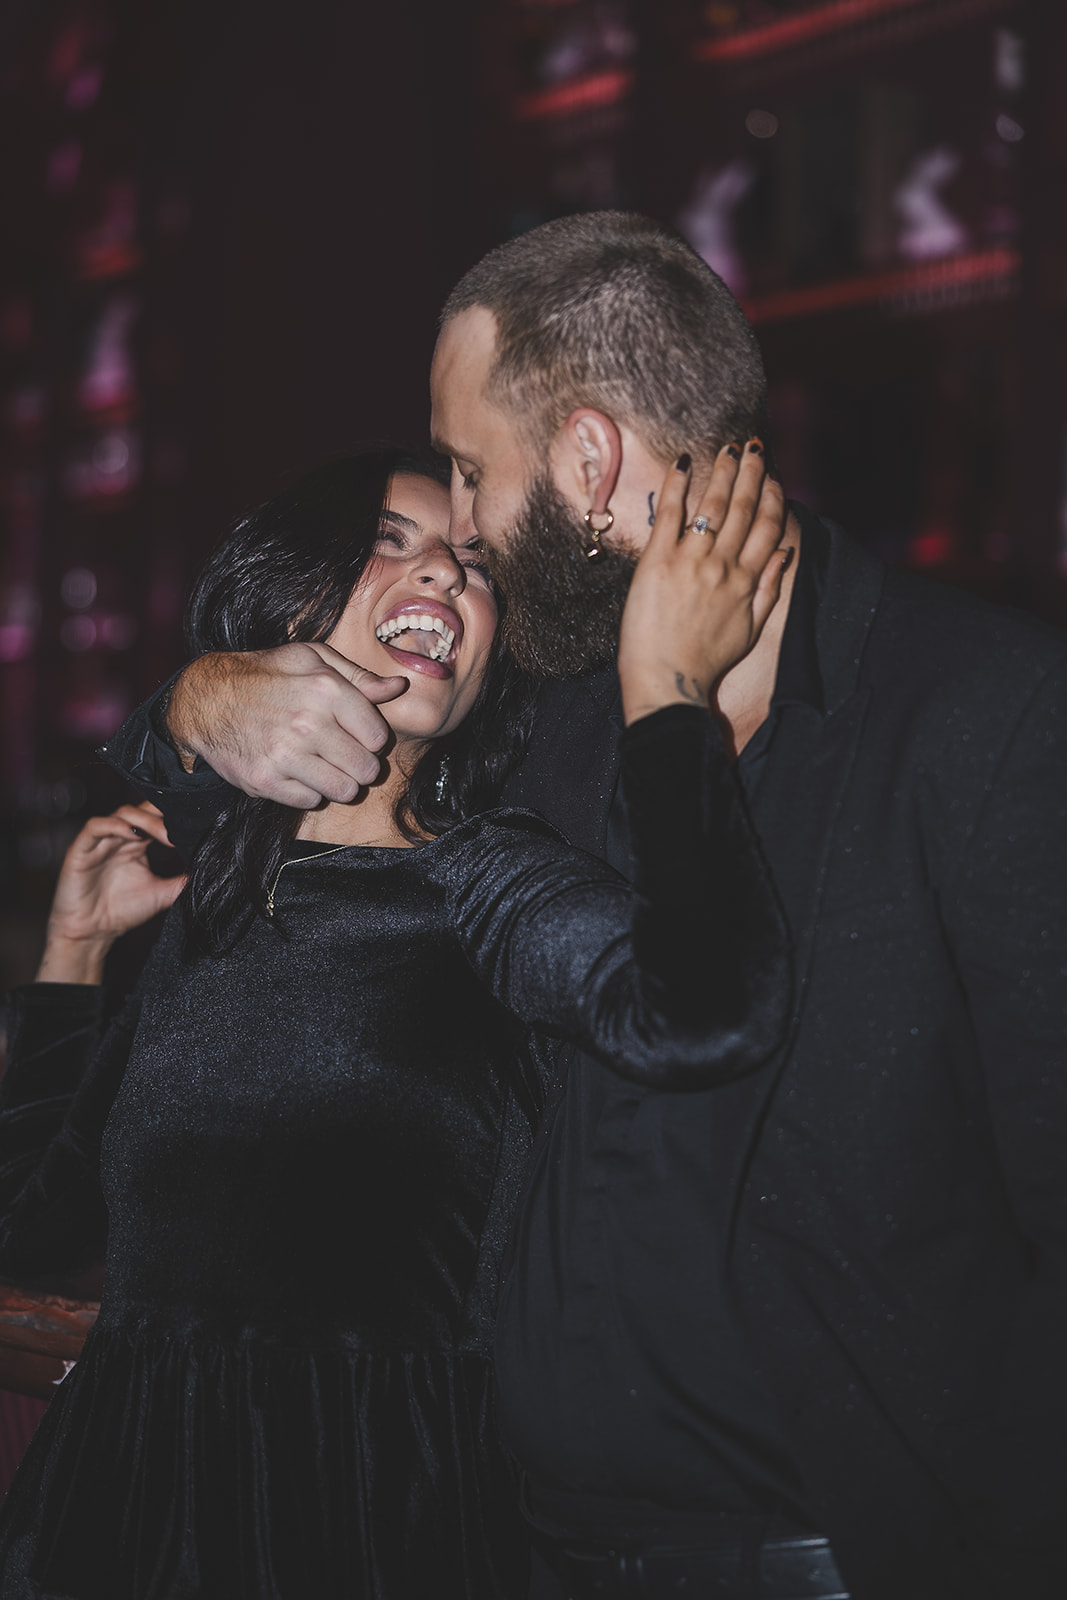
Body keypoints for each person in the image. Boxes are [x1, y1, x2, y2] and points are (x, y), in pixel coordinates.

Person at [105, 211, 1067, 1600]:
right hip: (513, 1542)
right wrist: (198, 700)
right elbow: (268, 815)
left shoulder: (989, 715)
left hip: (850, 1561)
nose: (462, 529)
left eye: (466, 469)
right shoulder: (538, 713)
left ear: (586, 458)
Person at [0, 443, 792, 1599]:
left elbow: (702, 1012)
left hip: (362, 1513)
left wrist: (667, 699)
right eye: (387, 541)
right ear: (287, 602)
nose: (445, 575)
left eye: (473, 562)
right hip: (117, 1504)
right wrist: (70, 955)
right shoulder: (211, 905)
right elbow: (27, 1223)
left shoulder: (485, 878)